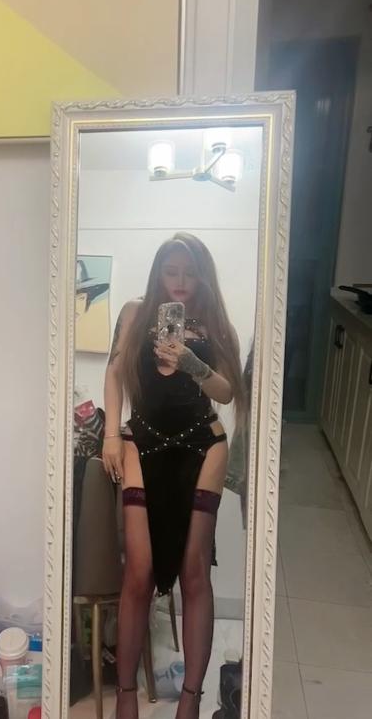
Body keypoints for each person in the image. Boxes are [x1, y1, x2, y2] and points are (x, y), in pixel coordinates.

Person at [102, 233, 245, 719]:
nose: (180, 281)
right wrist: (110, 435)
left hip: (203, 446)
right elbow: (115, 372)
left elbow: (226, 392)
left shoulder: (216, 325)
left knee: (194, 572)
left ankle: (190, 701)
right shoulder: (134, 313)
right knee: (139, 569)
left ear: (202, 276)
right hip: (142, 441)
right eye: (171, 271)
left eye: (189, 272)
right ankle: (126, 695)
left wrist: (191, 361)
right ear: (158, 273)